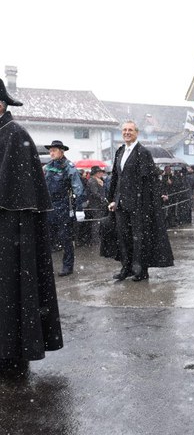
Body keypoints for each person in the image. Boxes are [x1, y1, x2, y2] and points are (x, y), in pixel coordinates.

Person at [0, 79, 63, 371]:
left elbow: (20, 197)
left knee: (13, 290)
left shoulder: (15, 135)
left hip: (11, 233)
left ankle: (13, 352)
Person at [106, 121, 174, 281]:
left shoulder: (142, 152)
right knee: (124, 237)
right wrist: (112, 199)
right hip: (121, 203)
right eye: (124, 130)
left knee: (139, 238)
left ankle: (140, 270)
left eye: (130, 130)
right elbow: (116, 177)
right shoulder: (120, 151)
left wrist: (145, 204)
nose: (127, 132)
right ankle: (126, 268)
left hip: (138, 204)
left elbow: (148, 181)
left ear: (136, 133)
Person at [44, 140, 85, 276]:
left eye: (54, 150)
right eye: (50, 150)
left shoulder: (68, 167)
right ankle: (46, 266)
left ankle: (68, 266)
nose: (51, 153)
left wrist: (79, 208)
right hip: (49, 206)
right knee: (49, 238)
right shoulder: (47, 167)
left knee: (65, 238)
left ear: (61, 152)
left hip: (63, 206)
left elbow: (78, 189)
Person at [85, 165, 108, 245]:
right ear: (95, 173)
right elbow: (95, 193)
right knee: (96, 222)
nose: (101, 174)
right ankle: (95, 240)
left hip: (100, 204)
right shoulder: (92, 181)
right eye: (99, 172)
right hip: (95, 204)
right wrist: (103, 198)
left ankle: (98, 238)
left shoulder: (98, 180)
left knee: (98, 221)